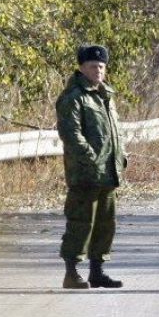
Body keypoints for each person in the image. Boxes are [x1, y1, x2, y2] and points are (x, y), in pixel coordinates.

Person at [56, 44, 127, 290]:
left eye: (101, 66)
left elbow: (115, 132)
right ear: (82, 68)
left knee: (105, 224)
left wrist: (121, 157)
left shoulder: (106, 95)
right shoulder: (74, 96)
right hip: (85, 173)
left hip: (108, 172)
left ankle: (97, 271)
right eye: (92, 66)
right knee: (80, 222)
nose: (98, 70)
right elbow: (71, 133)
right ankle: (72, 272)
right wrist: (91, 157)